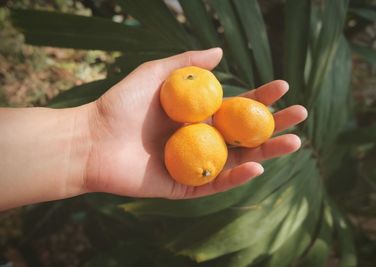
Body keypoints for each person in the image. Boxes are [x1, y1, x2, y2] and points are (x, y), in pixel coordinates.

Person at [0, 48, 307, 211]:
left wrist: (87, 142)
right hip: (198, 156)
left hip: (202, 156)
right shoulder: (195, 101)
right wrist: (91, 135)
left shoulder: (212, 113)